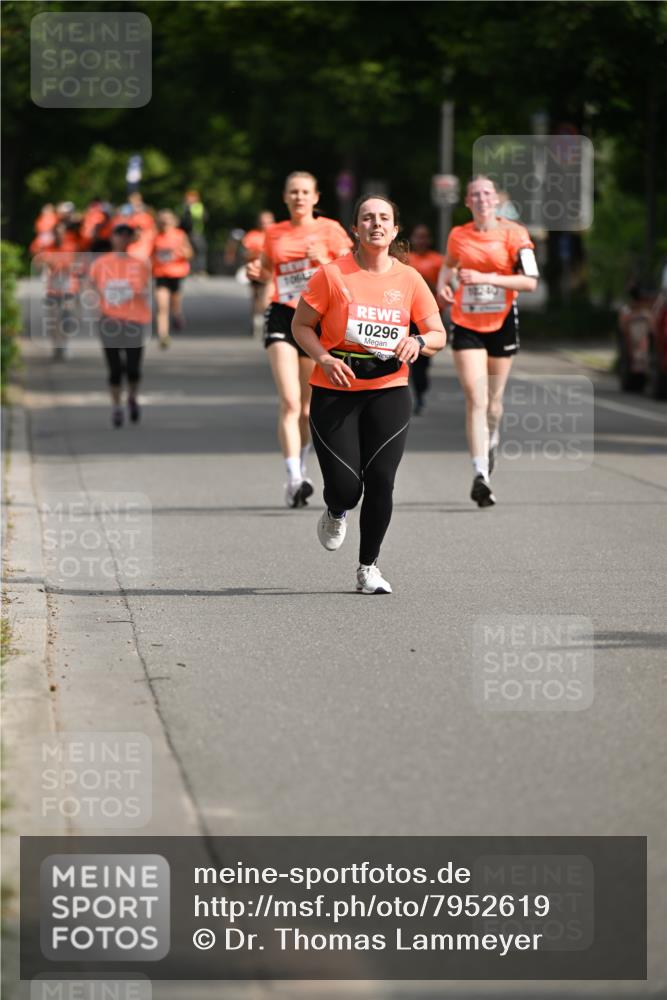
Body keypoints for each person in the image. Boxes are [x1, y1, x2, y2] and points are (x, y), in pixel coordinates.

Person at [292, 195, 446, 594]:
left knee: (381, 479)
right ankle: (336, 508)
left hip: (388, 390)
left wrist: (419, 340)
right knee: (347, 486)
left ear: (394, 231)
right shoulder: (331, 275)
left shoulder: (409, 279)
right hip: (336, 388)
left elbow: (438, 334)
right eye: (367, 218)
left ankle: (368, 568)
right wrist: (324, 359)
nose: (376, 224)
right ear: (355, 229)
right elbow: (301, 326)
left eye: (384, 219)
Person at [247, 171, 352, 508]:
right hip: (281, 314)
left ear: (316, 197)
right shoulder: (274, 233)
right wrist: (256, 273)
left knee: (308, 409)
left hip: (318, 320)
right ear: (285, 196)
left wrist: (324, 262)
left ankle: (301, 465)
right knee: (290, 402)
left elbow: (353, 271)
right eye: (293, 192)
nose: (299, 197)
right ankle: (294, 477)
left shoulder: (331, 230)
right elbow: (266, 270)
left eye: (305, 192)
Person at [437, 175, 538, 507]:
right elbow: (448, 265)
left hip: (502, 322)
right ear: (467, 202)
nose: (481, 199)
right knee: (475, 399)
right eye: (474, 195)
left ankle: (491, 438)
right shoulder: (458, 235)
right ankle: (480, 474)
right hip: (467, 323)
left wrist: (486, 277)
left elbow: (529, 282)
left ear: (496, 200)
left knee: (494, 403)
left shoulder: (515, 233)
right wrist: (443, 284)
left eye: (487, 194)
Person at [88, 224, 152, 427]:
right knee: (115, 368)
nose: (122, 239)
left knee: (133, 368)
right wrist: (95, 308)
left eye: (127, 236)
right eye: (119, 235)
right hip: (109, 320)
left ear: (131, 240)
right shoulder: (101, 263)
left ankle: (132, 397)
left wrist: (127, 291)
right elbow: (91, 287)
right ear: (113, 238)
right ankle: (116, 407)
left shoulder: (139, 264)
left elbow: (143, 288)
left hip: (134, 320)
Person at [407, 224, 444, 414]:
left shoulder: (438, 260)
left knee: (422, 360)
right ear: (412, 239)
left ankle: (420, 392)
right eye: (417, 236)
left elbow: (443, 288)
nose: (420, 240)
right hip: (406, 316)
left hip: (429, 317)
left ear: (428, 240)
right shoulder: (405, 260)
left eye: (424, 237)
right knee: (406, 357)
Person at [151, 209, 193, 348]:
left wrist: (181, 252)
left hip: (176, 273)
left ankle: (177, 315)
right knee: (162, 306)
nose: (165, 222)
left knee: (175, 305)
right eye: (162, 220)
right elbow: (149, 254)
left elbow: (189, 253)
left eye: (167, 219)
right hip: (160, 274)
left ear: (173, 221)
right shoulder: (155, 236)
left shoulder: (180, 235)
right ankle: (163, 335)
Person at [242, 210, 275, 337]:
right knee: (256, 296)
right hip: (256, 270)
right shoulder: (252, 235)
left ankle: (268, 320)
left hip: (272, 271)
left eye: (268, 222)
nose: (265, 224)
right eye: (263, 222)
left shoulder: (278, 235)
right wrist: (258, 253)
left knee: (268, 296)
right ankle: (256, 319)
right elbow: (245, 254)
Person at [180, 190, 208, 274]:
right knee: (188, 252)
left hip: (196, 232)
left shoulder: (198, 207)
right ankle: (189, 269)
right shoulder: (183, 206)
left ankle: (200, 270)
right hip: (185, 233)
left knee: (199, 251)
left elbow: (203, 218)